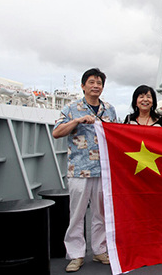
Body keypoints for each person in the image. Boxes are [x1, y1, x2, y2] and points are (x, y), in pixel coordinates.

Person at [52, 68, 117, 272]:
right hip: (79, 170)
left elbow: (116, 134)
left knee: (101, 213)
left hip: (103, 170)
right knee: (77, 214)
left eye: (99, 83)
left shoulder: (109, 109)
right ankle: (76, 254)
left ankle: (99, 250)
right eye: (91, 82)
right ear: (83, 86)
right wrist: (77, 121)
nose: (96, 86)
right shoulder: (72, 109)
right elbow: (56, 133)